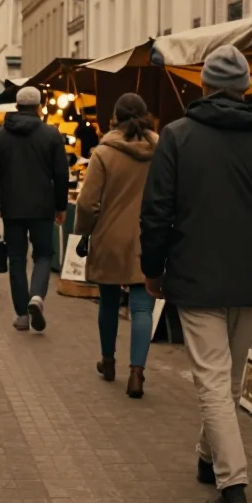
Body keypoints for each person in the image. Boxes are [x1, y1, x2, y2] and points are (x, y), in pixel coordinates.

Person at [140, 45, 252, 503]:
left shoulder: (177, 136)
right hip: (250, 275)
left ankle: (232, 488)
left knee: (216, 382)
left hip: (195, 276)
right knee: (228, 379)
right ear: (245, 88)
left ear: (205, 86)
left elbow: (156, 211)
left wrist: (153, 270)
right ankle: (206, 457)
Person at [75, 93, 157, 399]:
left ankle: (108, 362)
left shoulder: (103, 153)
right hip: (148, 237)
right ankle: (137, 374)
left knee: (108, 302)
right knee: (141, 306)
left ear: (114, 118)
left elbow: (86, 203)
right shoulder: (161, 149)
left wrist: (84, 230)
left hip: (109, 237)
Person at [0, 85, 69, 332]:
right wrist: (61, 205)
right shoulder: (51, 135)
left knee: (17, 259)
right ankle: (37, 297)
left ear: (17, 106)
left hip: (12, 207)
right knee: (43, 255)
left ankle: (21, 314)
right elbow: (61, 174)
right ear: (39, 107)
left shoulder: (0, 135)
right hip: (43, 206)